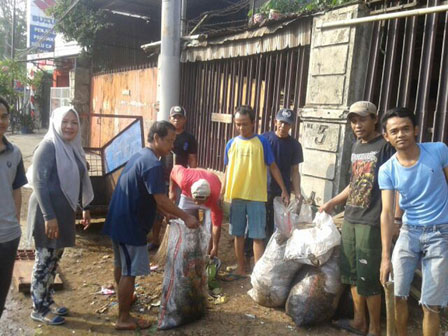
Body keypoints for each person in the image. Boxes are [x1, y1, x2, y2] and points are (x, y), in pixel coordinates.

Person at [103, 121, 199, 331]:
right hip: (130, 225)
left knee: (121, 265)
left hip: (118, 219)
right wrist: (185, 217)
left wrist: (165, 213)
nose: (172, 146)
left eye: (174, 141)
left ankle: (126, 299)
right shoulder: (153, 164)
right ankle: (124, 317)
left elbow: (147, 195)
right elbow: (161, 198)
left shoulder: (139, 156)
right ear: (156, 138)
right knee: (129, 271)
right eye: (169, 140)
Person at [319, 101, 395, 336]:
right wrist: (333, 202)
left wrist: (396, 220)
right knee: (351, 273)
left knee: (369, 276)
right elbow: (355, 184)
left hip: (371, 221)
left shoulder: (385, 147)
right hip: (351, 217)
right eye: (353, 120)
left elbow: (395, 185)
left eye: (362, 119)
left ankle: (374, 329)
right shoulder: (356, 147)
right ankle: (358, 321)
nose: (357, 125)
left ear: (375, 119)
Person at [378, 107, 448, 336]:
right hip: (409, 232)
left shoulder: (438, 151)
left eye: (406, 128)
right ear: (386, 136)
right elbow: (386, 213)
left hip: (441, 234)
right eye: (394, 131)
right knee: (398, 295)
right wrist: (385, 258)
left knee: (430, 305)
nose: (401, 135)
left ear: (416, 130)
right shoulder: (387, 170)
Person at [28, 106, 93, 325]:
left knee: (54, 261)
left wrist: (85, 206)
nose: (70, 127)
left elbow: (81, 178)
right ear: (56, 122)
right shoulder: (47, 147)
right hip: (48, 214)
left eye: (74, 122)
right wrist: (48, 216)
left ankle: (47, 299)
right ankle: (38, 308)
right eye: (65, 121)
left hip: (64, 213)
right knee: (44, 261)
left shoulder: (72, 147)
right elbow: (39, 183)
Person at [221, 105, 289, 279]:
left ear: (253, 123)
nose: (241, 128)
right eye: (238, 124)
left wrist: (283, 189)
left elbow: (273, 167)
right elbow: (228, 170)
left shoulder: (262, 142)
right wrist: (222, 193)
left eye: (244, 124)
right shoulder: (231, 143)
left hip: (257, 197)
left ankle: (257, 274)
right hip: (236, 196)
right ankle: (241, 269)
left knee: (257, 235)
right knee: (237, 234)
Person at [149, 106, 198, 250]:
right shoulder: (164, 135)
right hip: (162, 176)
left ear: (185, 120)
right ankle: (156, 240)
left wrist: (191, 179)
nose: (177, 120)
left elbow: (192, 159)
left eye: (179, 117)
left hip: (180, 181)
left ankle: (178, 243)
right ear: (170, 119)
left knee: (177, 210)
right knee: (159, 209)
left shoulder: (189, 138)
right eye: (174, 117)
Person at [0, 97, 27, 318]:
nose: (1, 121)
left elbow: (17, 189)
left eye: (4, 116)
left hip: (8, 235)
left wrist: (16, 221)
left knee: (1, 291)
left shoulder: (15, 153)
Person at [263, 108, 303, 240]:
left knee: (279, 226)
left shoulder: (295, 145)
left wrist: (297, 192)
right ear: (275, 122)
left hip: (282, 191)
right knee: (260, 224)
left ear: (291, 126)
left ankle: (274, 252)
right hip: (262, 189)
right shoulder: (264, 139)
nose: (283, 126)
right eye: (281, 122)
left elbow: (295, 171)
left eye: (287, 124)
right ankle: (252, 253)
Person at [170, 164, 222, 258]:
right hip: (188, 194)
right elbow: (173, 170)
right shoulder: (184, 179)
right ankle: (182, 252)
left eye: (200, 201)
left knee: (208, 228)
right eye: (196, 200)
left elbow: (216, 225)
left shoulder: (216, 198)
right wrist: (172, 191)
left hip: (210, 193)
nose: (197, 203)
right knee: (182, 223)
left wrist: (215, 246)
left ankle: (205, 254)